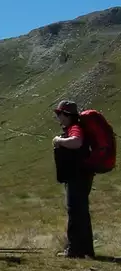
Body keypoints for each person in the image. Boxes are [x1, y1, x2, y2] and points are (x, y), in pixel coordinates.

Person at [53, 100, 95, 258]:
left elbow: (77, 142)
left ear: (67, 115)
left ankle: (74, 250)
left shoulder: (75, 128)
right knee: (81, 212)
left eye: (59, 114)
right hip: (82, 175)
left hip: (77, 176)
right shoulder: (74, 127)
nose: (58, 117)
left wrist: (59, 141)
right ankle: (86, 250)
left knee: (75, 211)